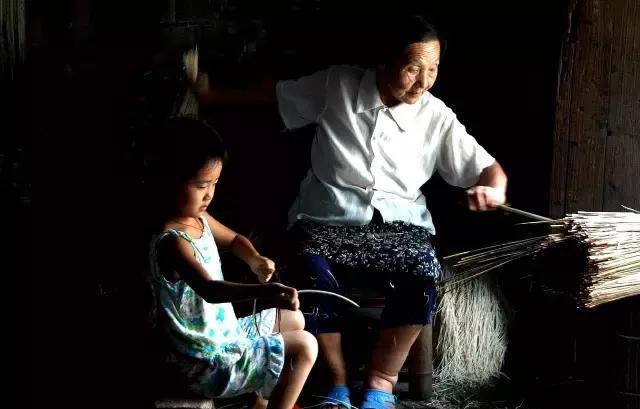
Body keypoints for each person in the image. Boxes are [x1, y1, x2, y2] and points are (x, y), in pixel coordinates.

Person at [187, 15, 507, 409]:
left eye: (433, 70)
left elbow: (489, 169)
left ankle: (381, 383)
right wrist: (211, 95)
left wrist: (493, 188)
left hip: (401, 226)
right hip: (325, 217)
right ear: (384, 63)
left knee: (423, 269)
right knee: (307, 264)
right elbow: (275, 96)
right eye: (412, 68)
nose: (423, 82)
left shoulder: (435, 115)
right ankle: (335, 381)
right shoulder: (338, 84)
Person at [146, 119, 318, 409]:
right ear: (170, 181)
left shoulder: (200, 220)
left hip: (224, 334)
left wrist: (254, 259)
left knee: (294, 320)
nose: (209, 194)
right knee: (305, 345)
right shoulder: (171, 242)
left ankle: (260, 400)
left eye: (214, 183)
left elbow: (236, 239)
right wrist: (263, 291)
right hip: (203, 359)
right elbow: (211, 290)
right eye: (201, 185)